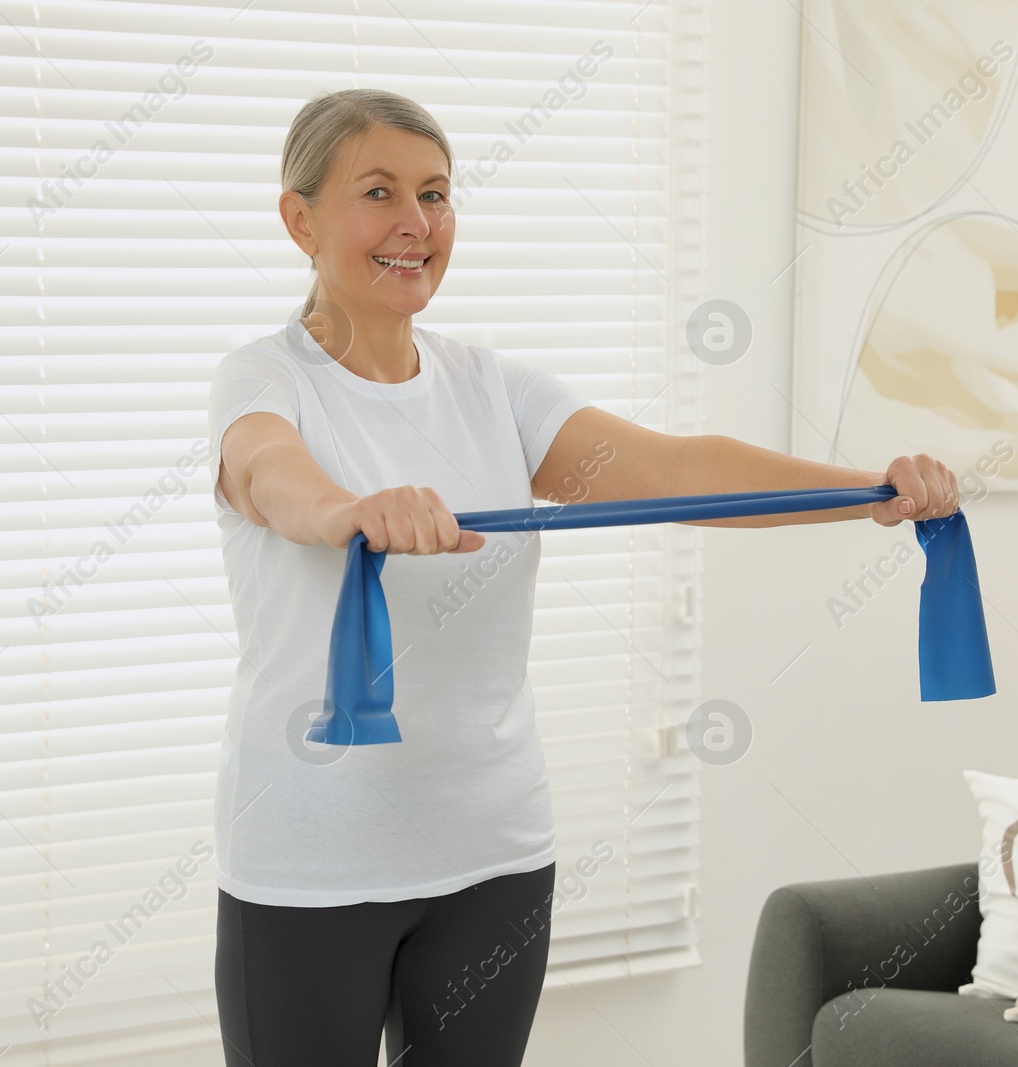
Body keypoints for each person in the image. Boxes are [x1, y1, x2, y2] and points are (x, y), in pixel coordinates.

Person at [207, 87, 960, 1067]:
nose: (414, 223)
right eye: (378, 191)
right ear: (298, 218)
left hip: (493, 854)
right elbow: (274, 480)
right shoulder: (266, 380)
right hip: (309, 857)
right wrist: (351, 513)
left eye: (435, 194)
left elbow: (683, 468)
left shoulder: (491, 387)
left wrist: (873, 489)